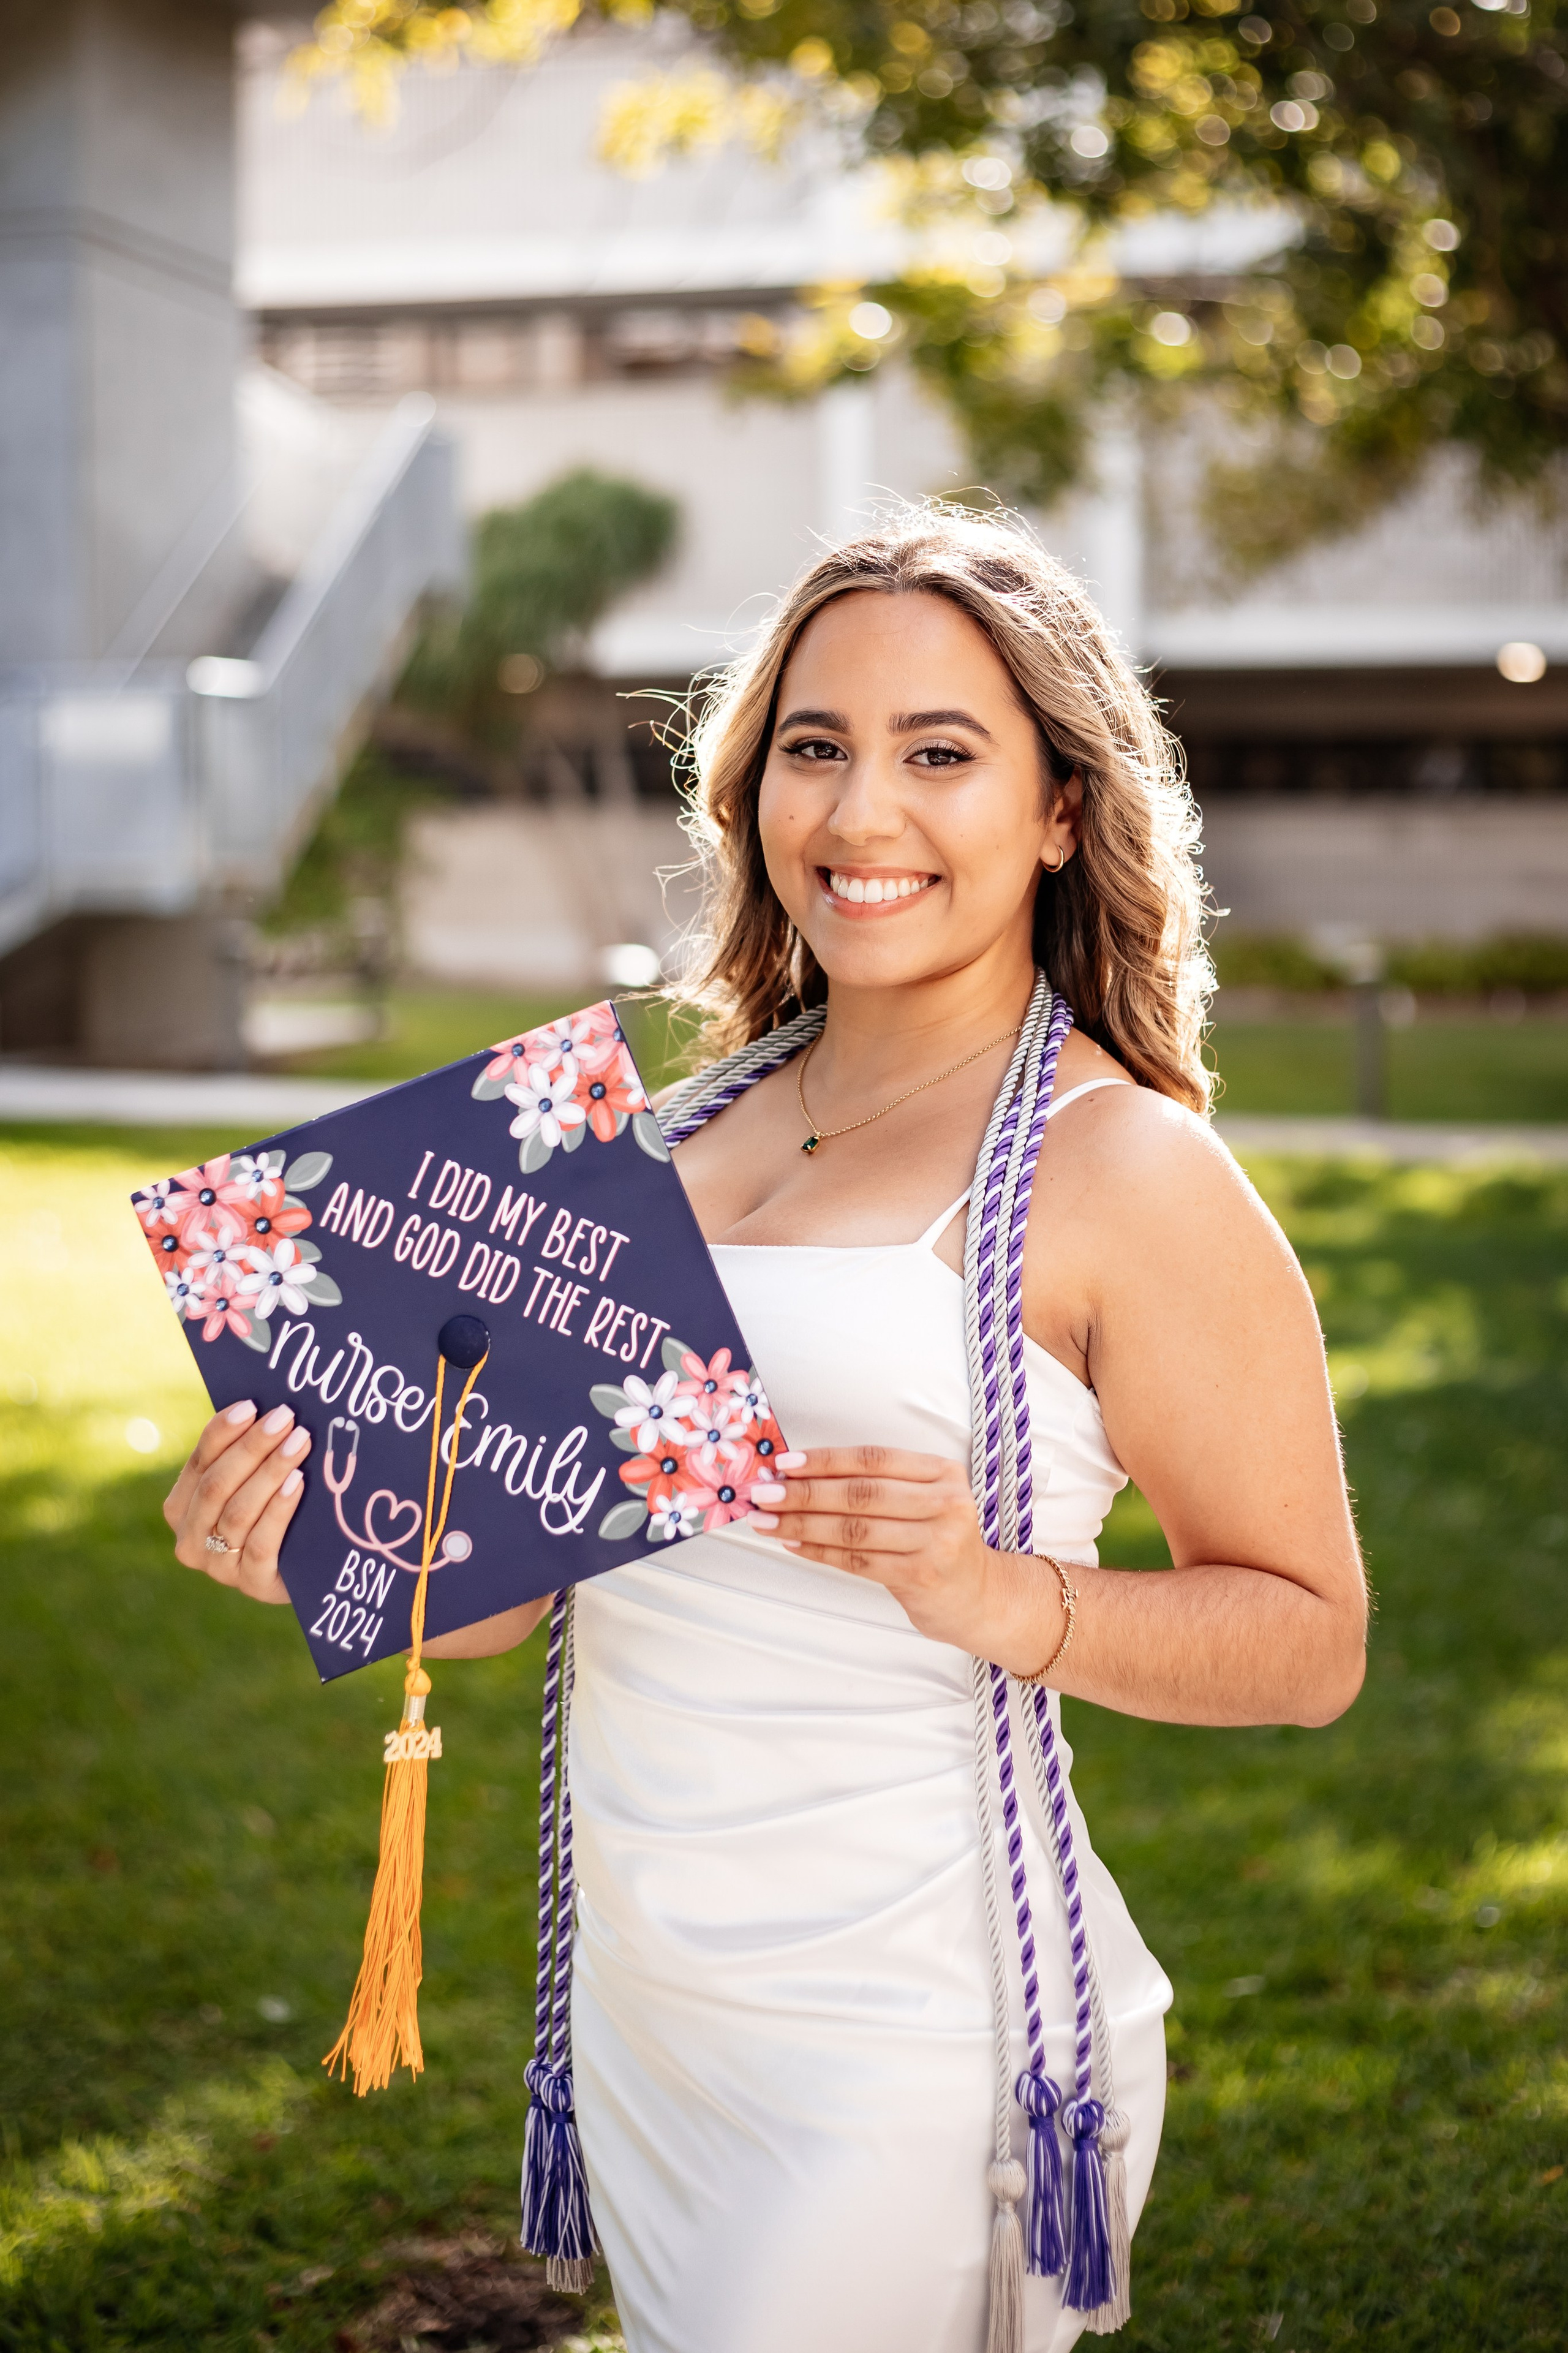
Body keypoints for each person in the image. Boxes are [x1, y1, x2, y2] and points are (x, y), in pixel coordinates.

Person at [165, 508, 1366, 2353]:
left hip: (912, 2025)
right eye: (816, 746)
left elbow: (1310, 1641)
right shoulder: (650, 1146)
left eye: (940, 754)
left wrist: (997, 1593)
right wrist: (304, 1537)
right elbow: (508, 1593)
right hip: (654, 2007)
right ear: (752, 788)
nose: (861, 813)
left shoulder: (1125, 1170)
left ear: (1060, 809)